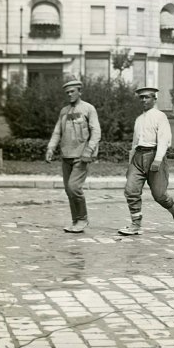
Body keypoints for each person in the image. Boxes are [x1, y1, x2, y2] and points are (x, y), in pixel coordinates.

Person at [118, 87, 174, 236]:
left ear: (154, 99)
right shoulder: (139, 119)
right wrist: (130, 164)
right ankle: (135, 224)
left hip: (154, 155)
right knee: (130, 190)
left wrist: (158, 160)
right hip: (138, 157)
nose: (143, 100)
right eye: (141, 97)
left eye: (147, 97)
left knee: (159, 195)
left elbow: (164, 140)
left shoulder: (160, 116)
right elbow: (135, 144)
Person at [46, 79, 101, 233]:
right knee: (68, 190)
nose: (70, 94)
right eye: (67, 92)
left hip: (81, 156)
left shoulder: (88, 109)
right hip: (66, 156)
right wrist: (51, 148)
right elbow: (57, 132)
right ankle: (75, 220)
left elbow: (96, 132)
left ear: (79, 92)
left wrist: (89, 151)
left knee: (74, 187)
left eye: (72, 91)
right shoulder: (64, 111)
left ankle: (82, 219)